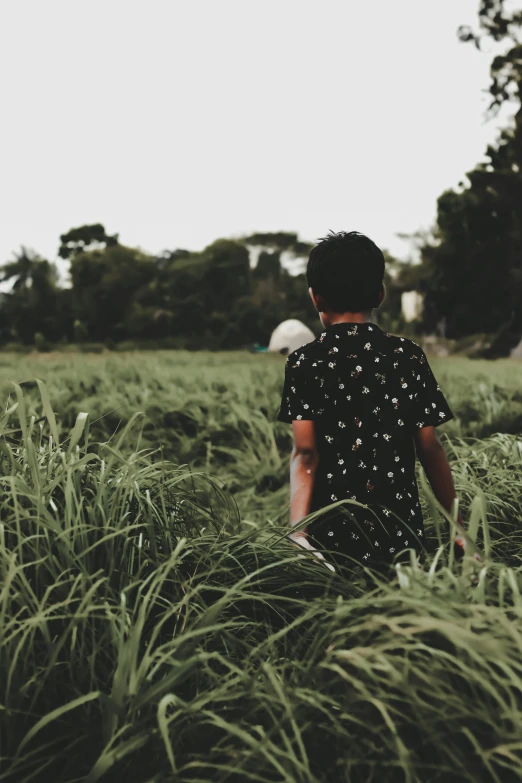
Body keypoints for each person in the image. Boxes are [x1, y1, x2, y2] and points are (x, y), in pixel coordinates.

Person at [276, 230, 470, 577]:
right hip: (399, 533)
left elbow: (305, 453)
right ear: (379, 294)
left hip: (329, 535)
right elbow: (429, 447)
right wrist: (457, 526)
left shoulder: (304, 362)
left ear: (316, 298)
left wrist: (299, 532)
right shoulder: (407, 356)